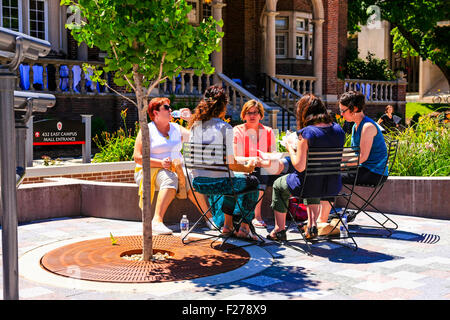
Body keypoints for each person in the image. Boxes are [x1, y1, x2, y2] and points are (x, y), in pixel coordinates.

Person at [267, 94, 346, 241]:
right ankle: (311, 225)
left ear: (304, 112)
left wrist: (290, 147)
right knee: (313, 180)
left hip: (308, 186)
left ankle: (279, 230)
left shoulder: (307, 132)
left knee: (278, 185)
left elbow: (299, 166)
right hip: (332, 186)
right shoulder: (338, 130)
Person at [187, 85, 260, 241]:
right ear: (222, 106)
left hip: (199, 183)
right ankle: (245, 227)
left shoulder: (195, 127)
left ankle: (227, 226)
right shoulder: (224, 127)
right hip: (221, 184)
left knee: (233, 179)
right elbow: (231, 164)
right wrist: (248, 167)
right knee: (252, 181)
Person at [133, 97, 209, 235]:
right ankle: (157, 220)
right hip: (151, 168)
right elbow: (137, 157)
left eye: (170, 107)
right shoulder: (147, 130)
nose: (171, 110)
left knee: (192, 182)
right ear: (155, 113)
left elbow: (199, 138)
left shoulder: (176, 128)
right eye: (166, 108)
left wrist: (190, 119)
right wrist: (160, 163)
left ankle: (210, 218)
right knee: (170, 178)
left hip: (176, 168)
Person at [233, 99, 293, 229]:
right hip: (246, 167)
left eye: (255, 112)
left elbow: (273, 153)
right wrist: (253, 160)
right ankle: (257, 215)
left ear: (261, 115)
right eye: (249, 113)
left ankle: (284, 218)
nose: (252, 115)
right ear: (244, 115)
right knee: (261, 172)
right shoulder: (237, 130)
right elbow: (236, 157)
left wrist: (264, 160)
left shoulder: (268, 131)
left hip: (264, 165)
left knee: (286, 171)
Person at [339, 91, 388, 188]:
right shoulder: (356, 126)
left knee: (328, 176)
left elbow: (362, 157)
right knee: (327, 173)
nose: (341, 114)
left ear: (355, 109)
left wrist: (342, 165)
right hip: (364, 169)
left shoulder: (367, 127)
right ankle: (326, 203)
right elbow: (354, 153)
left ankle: (325, 204)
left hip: (374, 173)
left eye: (343, 111)